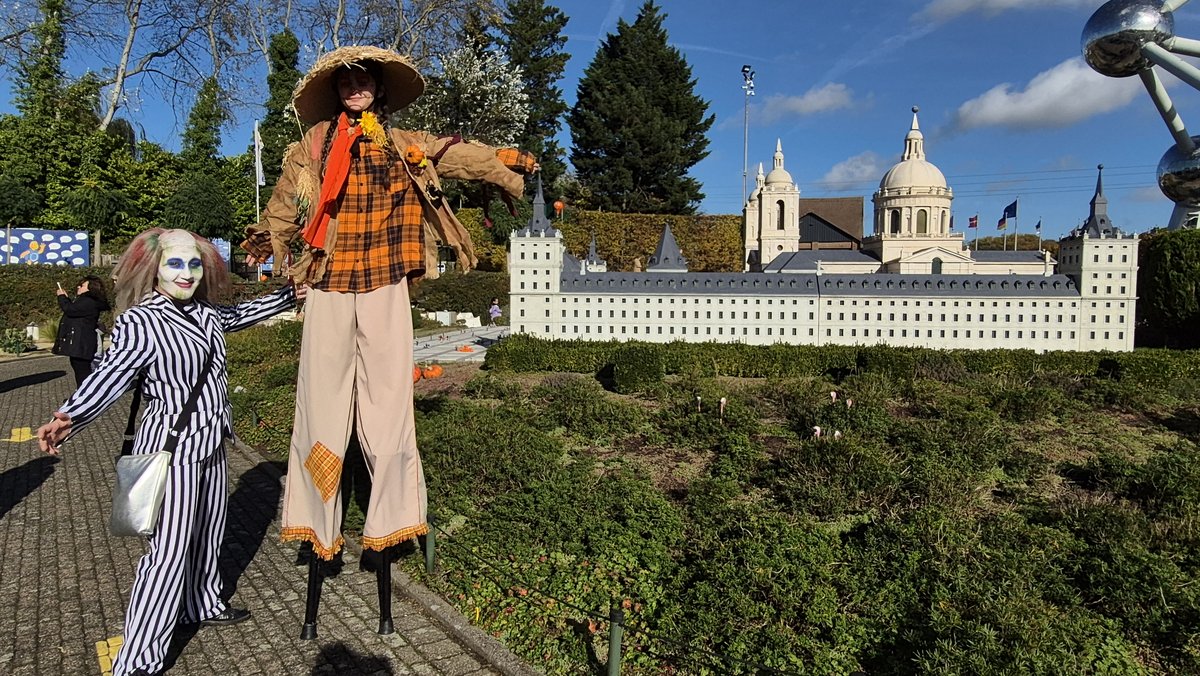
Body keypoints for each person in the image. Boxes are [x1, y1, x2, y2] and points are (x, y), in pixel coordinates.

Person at [241, 45, 536, 564]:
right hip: (328, 279)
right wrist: (268, 237)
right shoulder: (312, 145)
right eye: (346, 81)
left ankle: (391, 526)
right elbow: (286, 203)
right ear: (337, 90)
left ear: (378, 87)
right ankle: (317, 527)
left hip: (385, 278)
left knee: (389, 406)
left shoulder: (404, 144)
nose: (355, 88)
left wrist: (499, 161)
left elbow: (454, 154)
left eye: (364, 80)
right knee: (320, 404)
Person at [36, 228, 301, 676]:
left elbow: (241, 314)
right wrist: (70, 416)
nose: (187, 273)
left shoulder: (205, 312)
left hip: (212, 442)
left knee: (209, 531)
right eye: (175, 263)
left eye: (194, 264)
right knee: (169, 552)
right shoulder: (142, 321)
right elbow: (112, 373)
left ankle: (203, 602)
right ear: (154, 269)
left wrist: (292, 293)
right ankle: (138, 658)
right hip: (171, 450)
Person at [53, 274, 111, 386]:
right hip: (81, 343)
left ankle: (86, 392)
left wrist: (62, 298)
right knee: (80, 368)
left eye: (82, 286)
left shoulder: (89, 301)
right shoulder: (86, 301)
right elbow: (75, 310)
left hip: (82, 343)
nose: (78, 287)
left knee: (82, 371)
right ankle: (84, 391)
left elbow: (71, 310)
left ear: (91, 288)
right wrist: (66, 299)